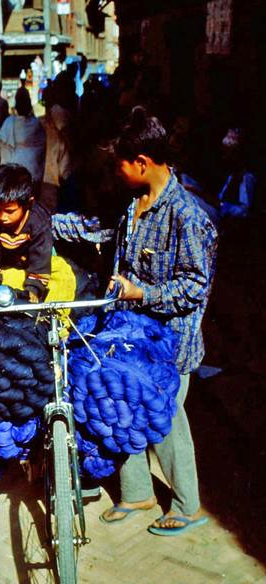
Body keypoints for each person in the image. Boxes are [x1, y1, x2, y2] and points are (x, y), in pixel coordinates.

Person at [60, 106, 218, 535]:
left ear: (143, 163)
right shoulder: (133, 204)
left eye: (121, 165)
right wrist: (40, 222)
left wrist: (141, 292)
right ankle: (137, 493)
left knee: (163, 421)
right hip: (129, 335)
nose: (117, 172)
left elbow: (195, 287)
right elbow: (94, 228)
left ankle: (187, 504)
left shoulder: (188, 217)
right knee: (122, 406)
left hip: (171, 344)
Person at [0, 163, 52, 302]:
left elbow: (40, 261)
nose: (2, 217)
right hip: (5, 260)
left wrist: (33, 289)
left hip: (30, 261)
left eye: (10, 211)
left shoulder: (39, 223)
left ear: (29, 203)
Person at [0, 92, 46, 188]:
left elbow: (2, 144)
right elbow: (42, 146)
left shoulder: (9, 122)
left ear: (17, 107)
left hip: (14, 167)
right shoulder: (36, 123)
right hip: (34, 169)